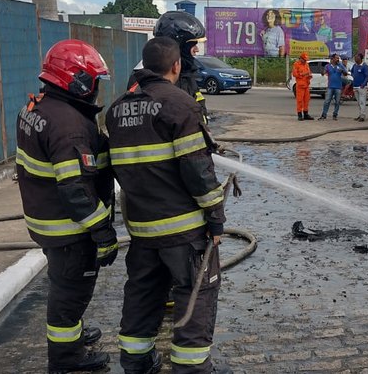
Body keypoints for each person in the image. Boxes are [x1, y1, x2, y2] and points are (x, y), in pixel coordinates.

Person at [108, 36, 228, 374]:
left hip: (142, 229)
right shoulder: (179, 104)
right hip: (184, 231)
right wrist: (216, 218)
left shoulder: (117, 108)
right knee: (195, 294)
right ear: (176, 66)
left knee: (143, 295)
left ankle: (136, 362)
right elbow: (197, 170)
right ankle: (190, 369)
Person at [15, 39, 117, 374]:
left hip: (45, 219)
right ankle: (66, 359)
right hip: (69, 229)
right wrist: (103, 232)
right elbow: (76, 190)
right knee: (70, 293)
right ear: (78, 81)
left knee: (64, 283)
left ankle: (70, 337)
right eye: (94, 81)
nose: (97, 88)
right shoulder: (69, 127)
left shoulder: (38, 107)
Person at [318, 54, 346, 120]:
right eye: (336, 58)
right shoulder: (327, 66)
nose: (338, 59)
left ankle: (335, 115)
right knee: (327, 101)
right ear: (332, 59)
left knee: (337, 102)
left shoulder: (340, 65)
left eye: (338, 58)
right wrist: (322, 72)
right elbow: (323, 72)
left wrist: (342, 70)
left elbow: (345, 73)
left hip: (338, 87)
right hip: (330, 86)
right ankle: (324, 115)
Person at [291, 52, 313, 121]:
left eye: (306, 60)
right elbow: (295, 74)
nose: (305, 61)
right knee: (300, 101)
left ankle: (306, 114)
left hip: (306, 84)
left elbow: (309, 72)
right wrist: (303, 74)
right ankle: (299, 115)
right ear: (301, 59)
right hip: (300, 85)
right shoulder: (296, 64)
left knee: (306, 100)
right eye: (304, 59)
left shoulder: (306, 64)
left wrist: (309, 76)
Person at [350, 53, 368, 121]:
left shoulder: (365, 66)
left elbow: (367, 76)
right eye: (355, 58)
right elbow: (352, 71)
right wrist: (354, 76)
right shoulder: (355, 65)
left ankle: (362, 116)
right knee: (359, 102)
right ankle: (360, 114)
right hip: (355, 86)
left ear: (361, 58)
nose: (355, 59)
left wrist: (363, 84)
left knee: (362, 102)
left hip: (361, 87)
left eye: (357, 57)